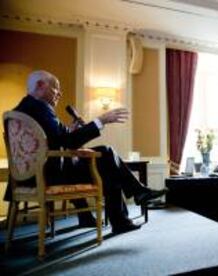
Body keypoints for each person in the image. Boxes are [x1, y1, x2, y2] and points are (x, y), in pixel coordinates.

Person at [5, 70, 167, 234]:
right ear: (40, 85)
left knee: (106, 161)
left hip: (28, 176)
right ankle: (130, 205)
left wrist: (71, 131)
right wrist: (101, 120)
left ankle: (113, 213)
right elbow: (69, 142)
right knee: (107, 155)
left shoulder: (22, 109)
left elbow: (56, 140)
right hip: (50, 175)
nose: (59, 94)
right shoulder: (40, 107)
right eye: (55, 88)